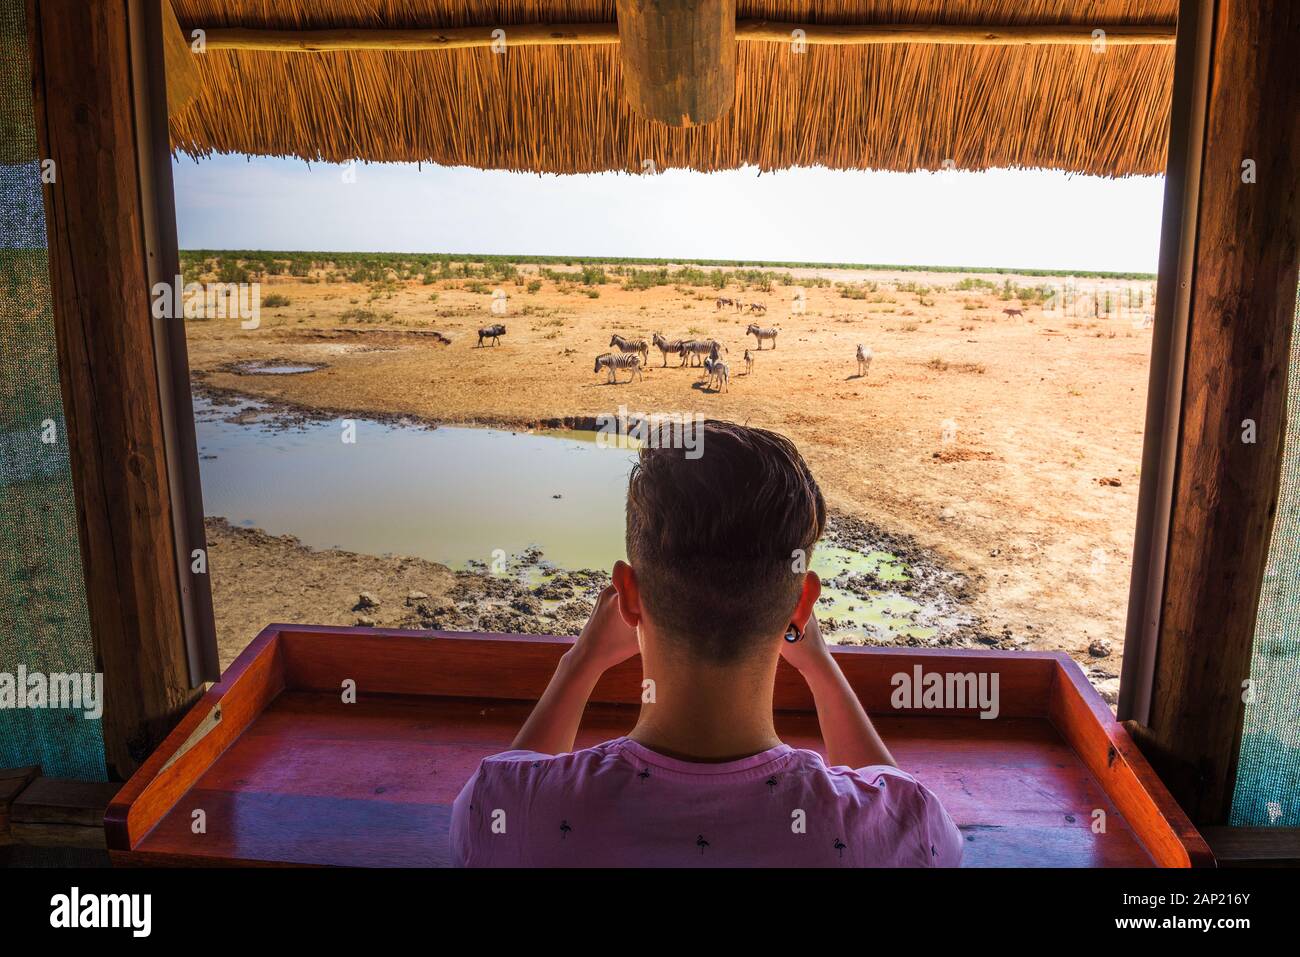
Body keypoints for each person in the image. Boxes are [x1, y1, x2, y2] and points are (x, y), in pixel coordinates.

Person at [450, 420, 962, 867]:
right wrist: (820, 669)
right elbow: (893, 797)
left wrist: (579, 663)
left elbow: (515, 782)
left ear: (627, 595)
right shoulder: (899, 828)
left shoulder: (503, 808)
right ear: (802, 606)